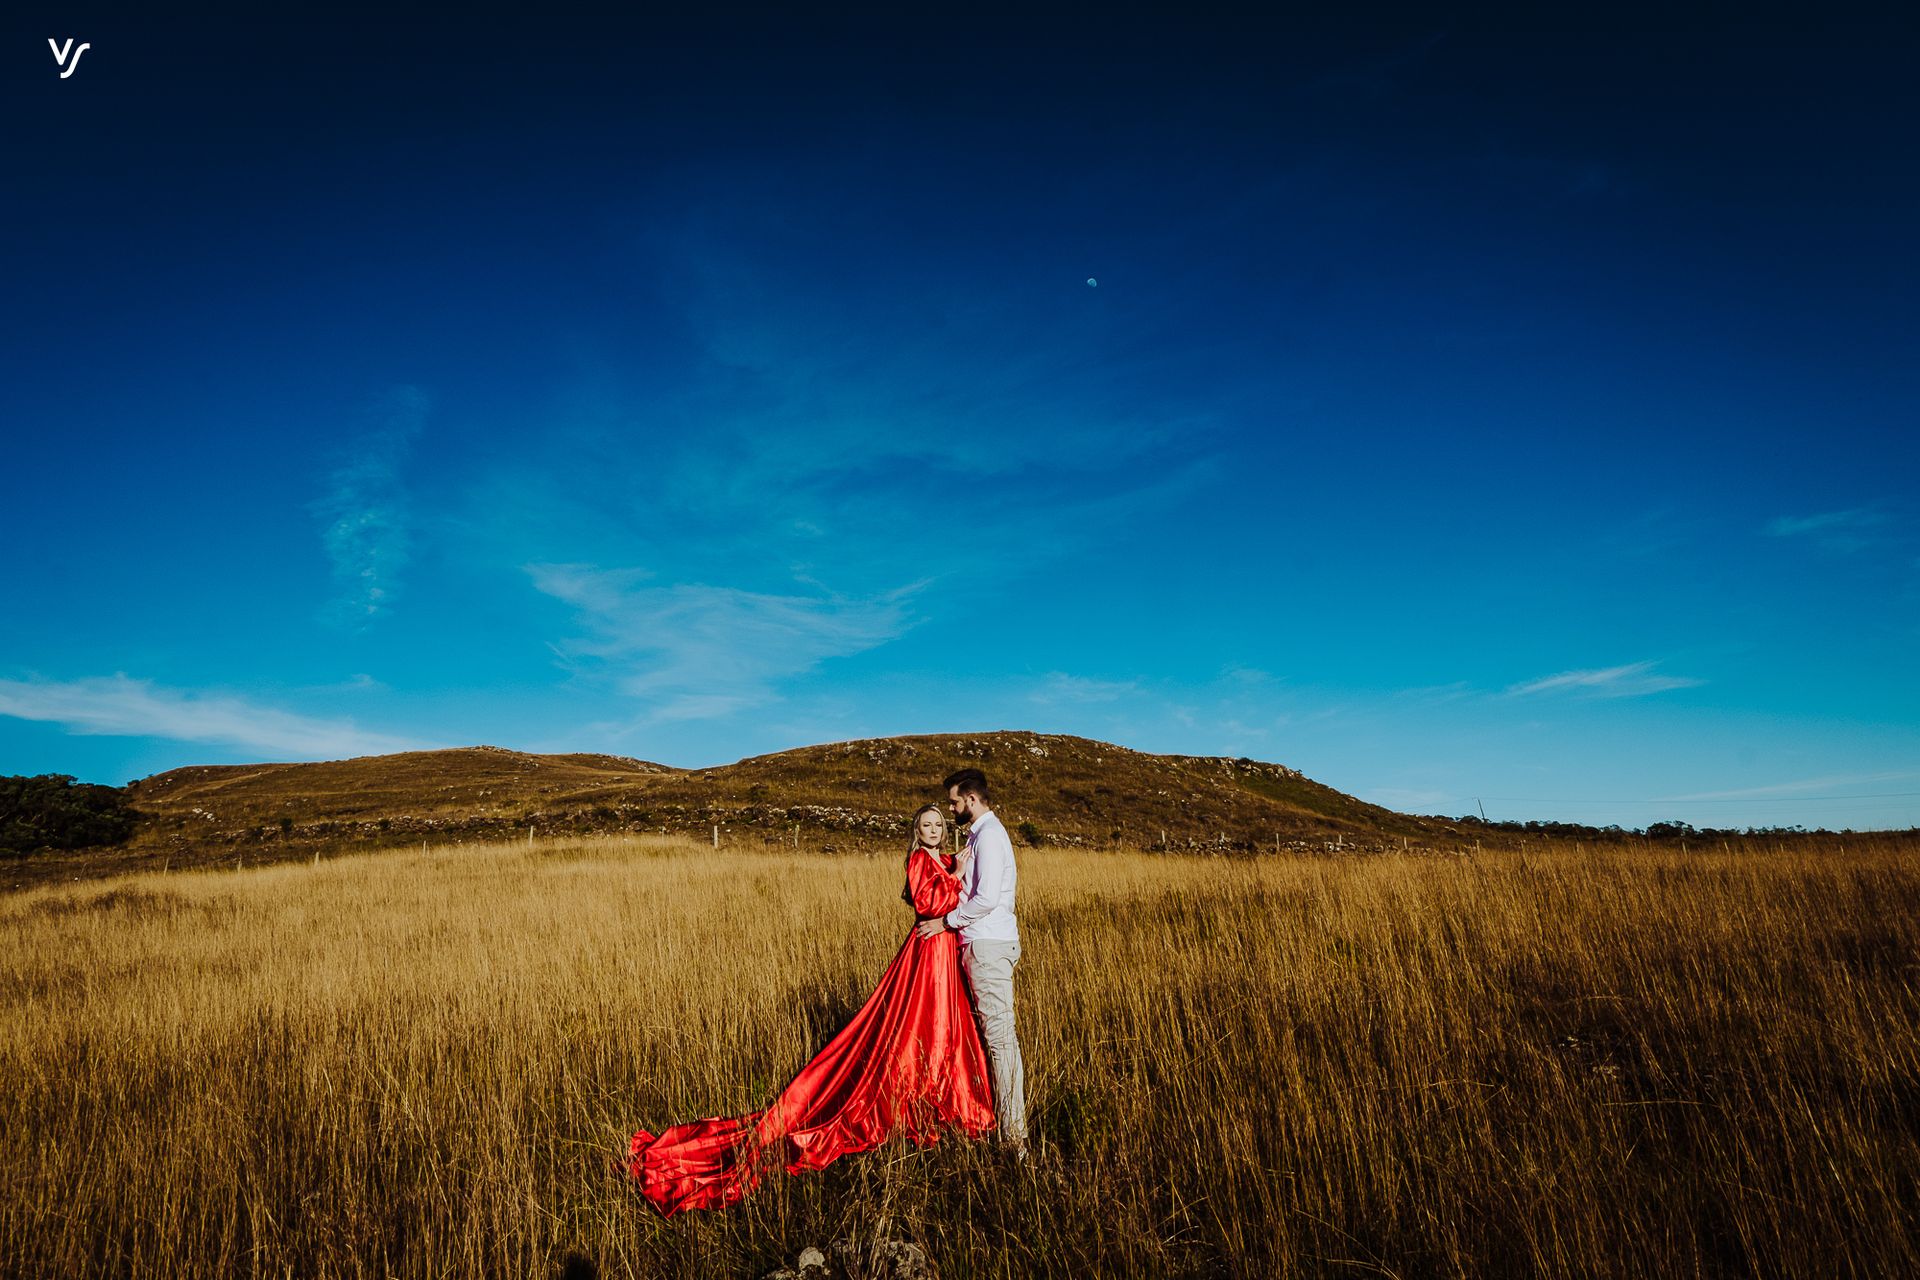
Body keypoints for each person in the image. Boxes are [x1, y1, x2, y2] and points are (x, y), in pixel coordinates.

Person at [626, 805, 995, 1215]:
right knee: (916, 1022)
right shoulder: (918, 860)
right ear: (916, 830)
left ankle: (939, 1094)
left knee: (941, 1024)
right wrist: (958, 876)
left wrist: (955, 872)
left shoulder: (943, 858)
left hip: (941, 950)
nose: (932, 830)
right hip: (926, 953)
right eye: (925, 825)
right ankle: (913, 1091)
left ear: (944, 830)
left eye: (937, 825)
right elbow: (928, 903)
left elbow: (953, 901)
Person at [915, 767, 1026, 1156]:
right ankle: (998, 1122)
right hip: (982, 944)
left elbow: (987, 898)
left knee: (1000, 1041)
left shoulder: (991, 837)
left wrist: (946, 921)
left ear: (972, 800)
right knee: (991, 1038)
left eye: (954, 801)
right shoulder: (978, 837)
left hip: (989, 946)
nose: (952, 808)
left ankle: (1015, 1138)